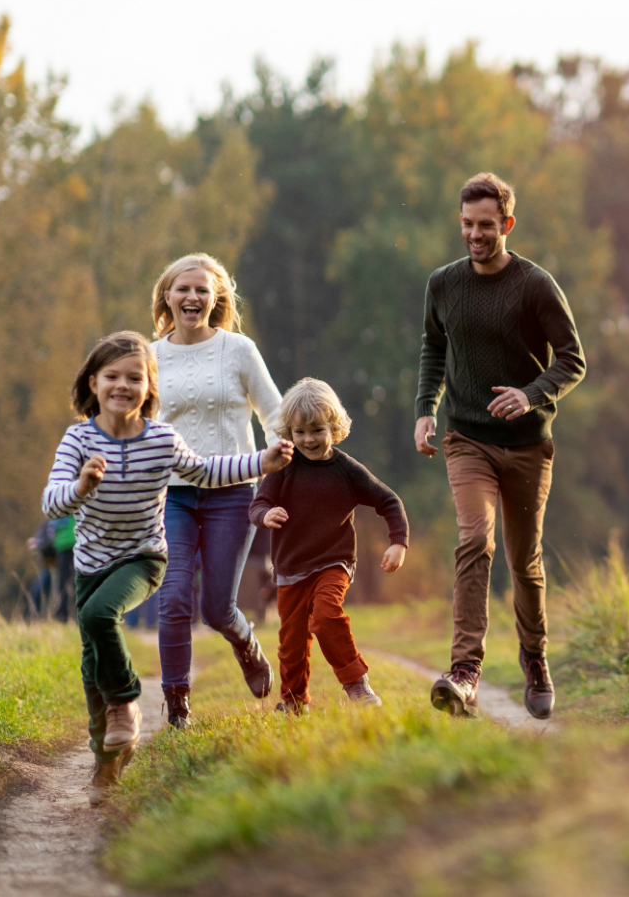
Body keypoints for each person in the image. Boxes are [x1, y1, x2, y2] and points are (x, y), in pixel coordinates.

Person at [41, 331, 292, 804]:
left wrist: (263, 460)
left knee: (98, 619)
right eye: (112, 376)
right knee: (92, 664)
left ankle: (128, 704)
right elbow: (51, 502)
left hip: (142, 558)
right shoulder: (77, 439)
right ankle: (106, 761)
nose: (123, 386)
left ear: (150, 387)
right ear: (93, 383)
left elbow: (207, 472)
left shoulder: (160, 439)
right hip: (91, 565)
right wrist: (81, 486)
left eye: (135, 378)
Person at [415, 172, 585, 720]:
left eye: (485, 226)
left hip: (528, 447)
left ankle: (535, 658)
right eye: (467, 224)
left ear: (507, 224)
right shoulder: (443, 284)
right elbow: (433, 350)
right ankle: (464, 672)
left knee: (525, 563)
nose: (475, 235)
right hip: (467, 440)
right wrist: (425, 410)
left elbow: (572, 359)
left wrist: (531, 395)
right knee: (474, 541)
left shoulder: (535, 285)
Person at [148, 253, 284, 729]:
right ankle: (177, 704)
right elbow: (134, 424)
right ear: (167, 296)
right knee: (174, 596)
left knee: (216, 607)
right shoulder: (151, 357)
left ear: (216, 298)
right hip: (173, 494)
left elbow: (275, 415)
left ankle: (246, 644)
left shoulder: (239, 351)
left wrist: (283, 469)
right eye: (183, 289)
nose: (193, 297)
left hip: (232, 491)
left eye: (202, 290)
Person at [249, 379, 409, 712]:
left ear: (333, 427)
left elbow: (389, 501)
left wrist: (398, 542)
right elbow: (257, 504)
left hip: (333, 562)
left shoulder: (347, 470)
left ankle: (357, 685)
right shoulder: (282, 468)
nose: (309, 439)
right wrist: (266, 515)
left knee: (325, 617)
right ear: (289, 432)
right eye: (300, 432)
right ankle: (293, 701)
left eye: (317, 430)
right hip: (291, 568)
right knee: (291, 643)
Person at [26, 515, 74, 620]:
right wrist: (38, 542)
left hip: (66, 554)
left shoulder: (73, 517)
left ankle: (63, 615)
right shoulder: (47, 523)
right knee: (43, 586)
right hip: (51, 562)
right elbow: (38, 539)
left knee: (65, 585)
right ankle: (33, 616)